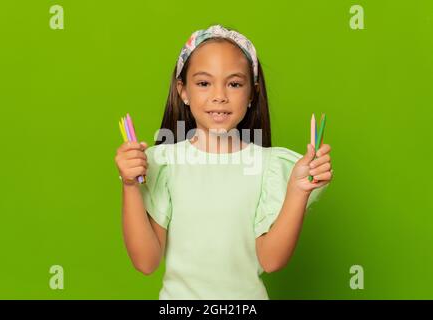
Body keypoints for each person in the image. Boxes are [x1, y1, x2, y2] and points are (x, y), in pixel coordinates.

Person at [114, 24, 333, 300]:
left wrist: (298, 191)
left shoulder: (268, 166)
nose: (219, 95)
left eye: (234, 83)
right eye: (204, 83)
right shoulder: (164, 164)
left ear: (252, 93)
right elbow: (146, 263)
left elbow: (271, 261)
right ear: (183, 91)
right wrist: (130, 185)